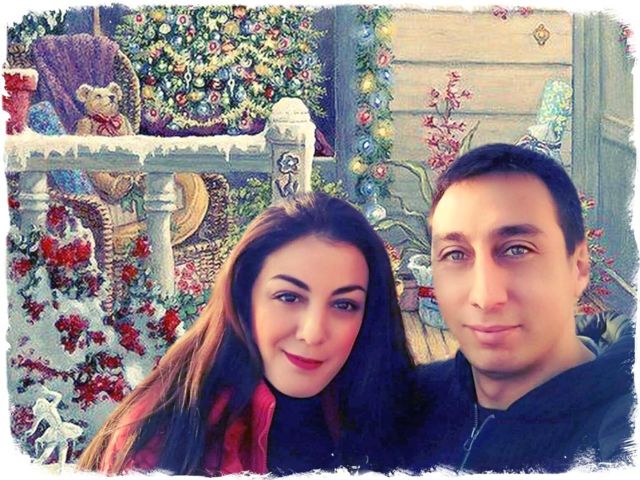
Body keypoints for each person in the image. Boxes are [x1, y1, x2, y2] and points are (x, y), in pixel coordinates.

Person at [77, 192, 413, 475]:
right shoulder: (166, 435)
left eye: (344, 305)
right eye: (289, 297)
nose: (312, 333)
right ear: (244, 295)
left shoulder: (394, 409)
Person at [405, 143, 635, 473]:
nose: (484, 296)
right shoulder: (407, 406)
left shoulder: (622, 436)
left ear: (579, 267)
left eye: (517, 250)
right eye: (455, 254)